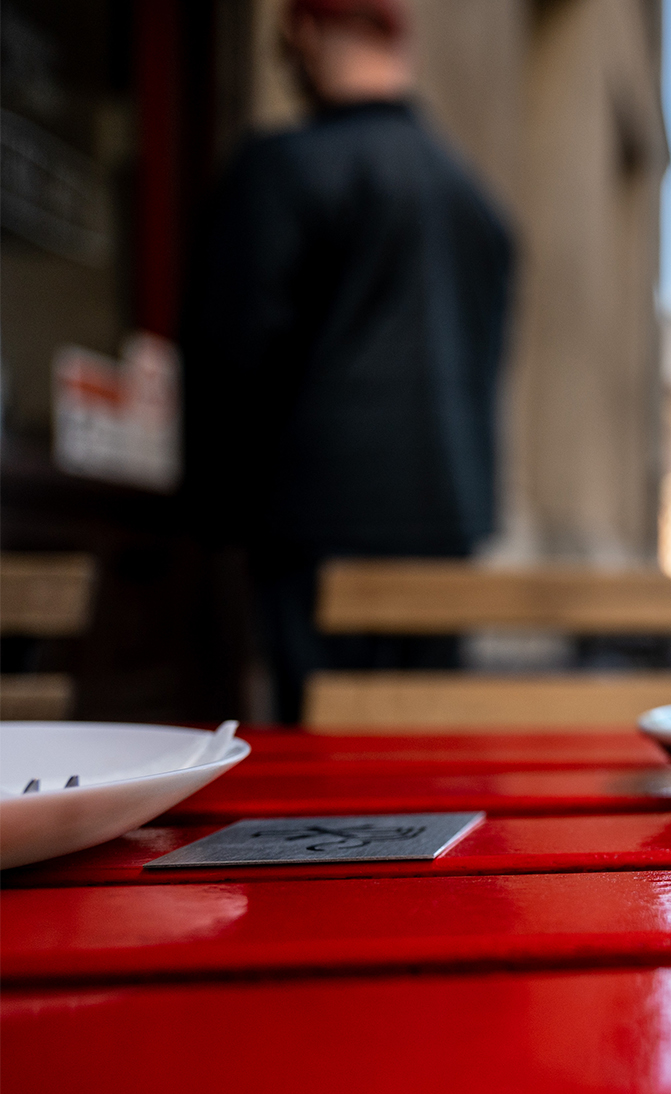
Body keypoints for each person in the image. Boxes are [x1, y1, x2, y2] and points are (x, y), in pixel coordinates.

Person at [181, 0, 514, 723]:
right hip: (448, 520)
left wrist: (207, 517)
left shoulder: (283, 168)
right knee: (421, 760)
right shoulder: (476, 203)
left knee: (322, 773)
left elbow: (234, 360)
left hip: (315, 526)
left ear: (302, 32)